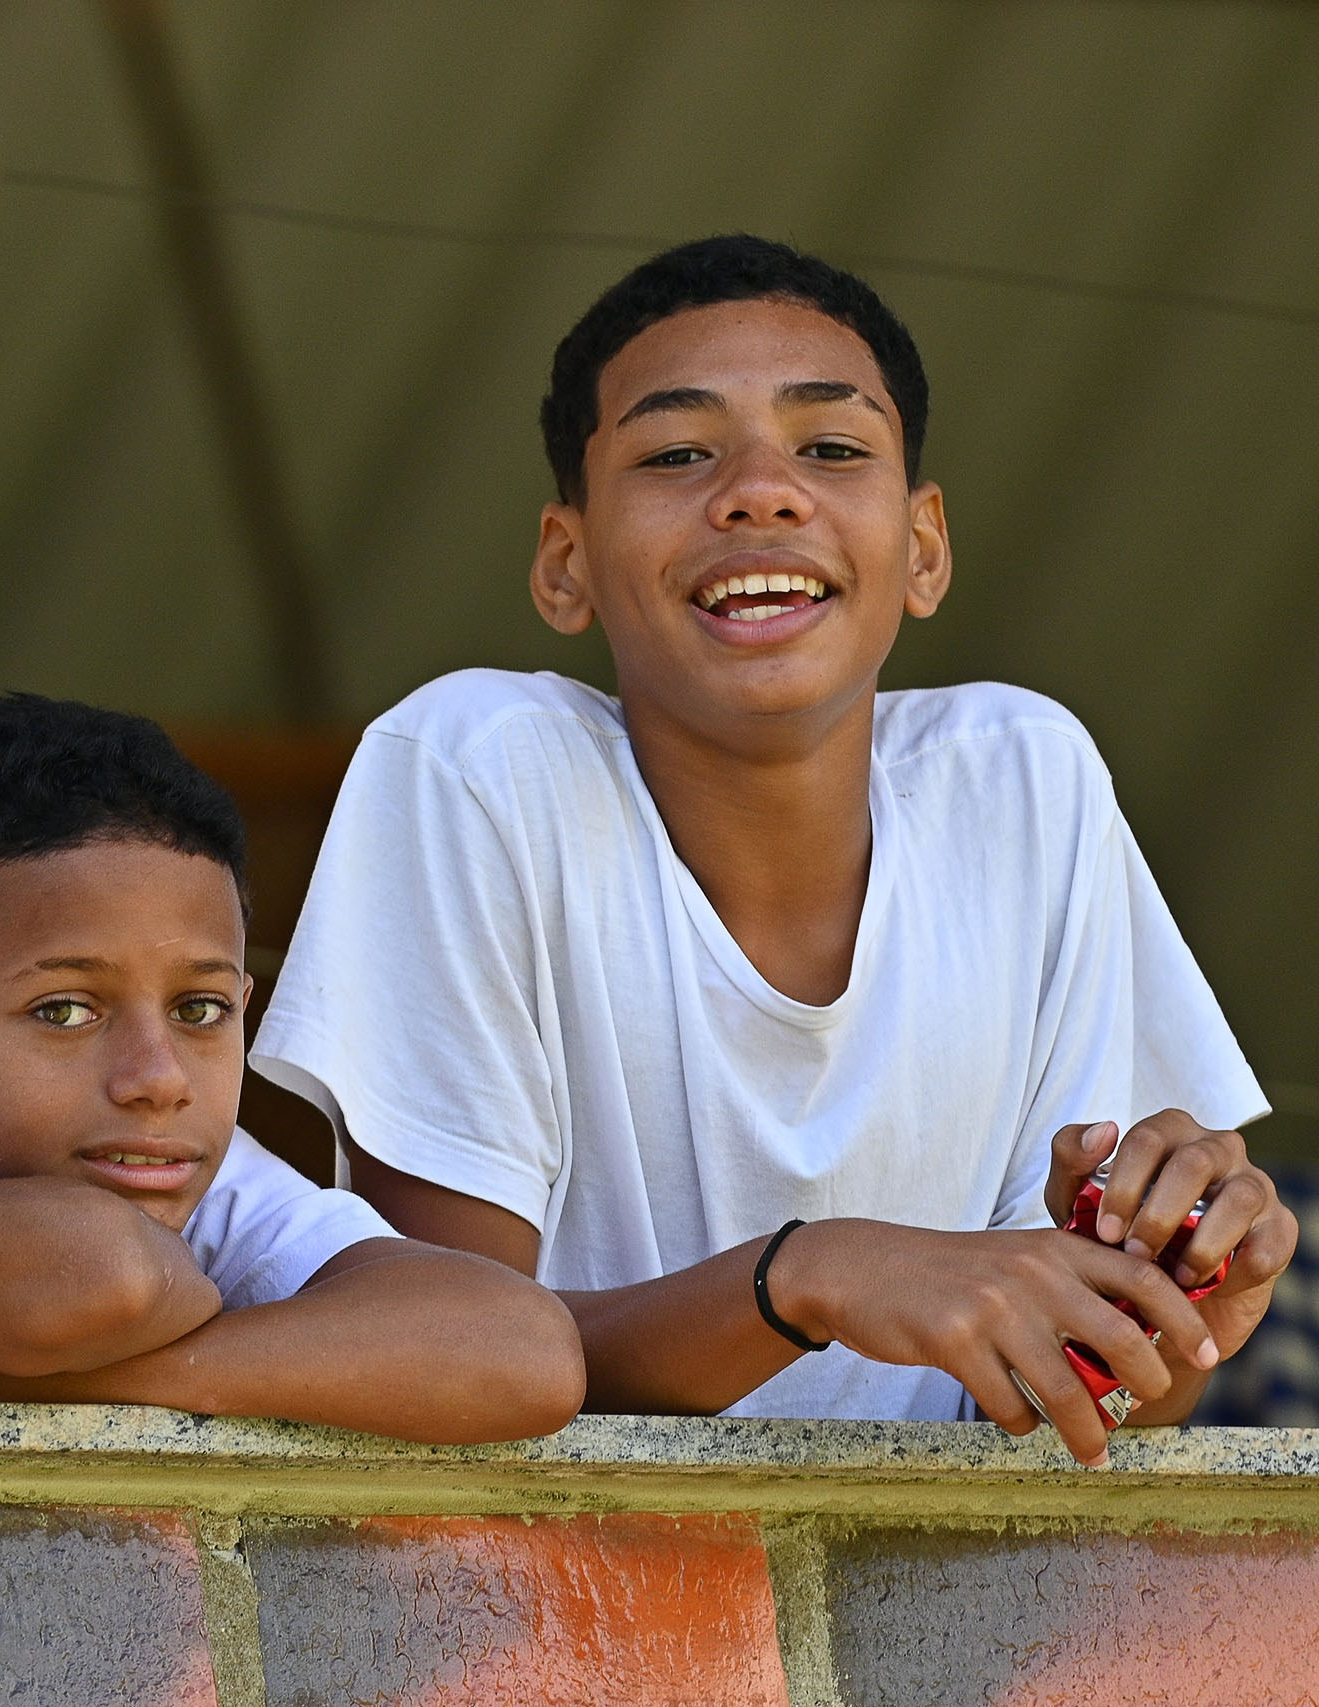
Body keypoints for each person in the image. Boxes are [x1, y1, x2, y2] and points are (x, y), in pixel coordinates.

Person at [252, 235, 1298, 1467]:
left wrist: (1165, 1329)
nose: (758, 489)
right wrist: (805, 1276)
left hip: (914, 1608)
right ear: (565, 562)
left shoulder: (1022, 779)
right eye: (676, 453)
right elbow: (444, 1364)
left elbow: (1063, 1409)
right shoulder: (476, 766)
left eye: (832, 448)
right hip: (544, 1605)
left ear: (922, 549)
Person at [0, 693, 583, 1447]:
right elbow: (104, 1277)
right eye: (64, 1011)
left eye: (200, 1010)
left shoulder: (156, 1162)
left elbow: (523, 1347)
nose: (158, 1077)